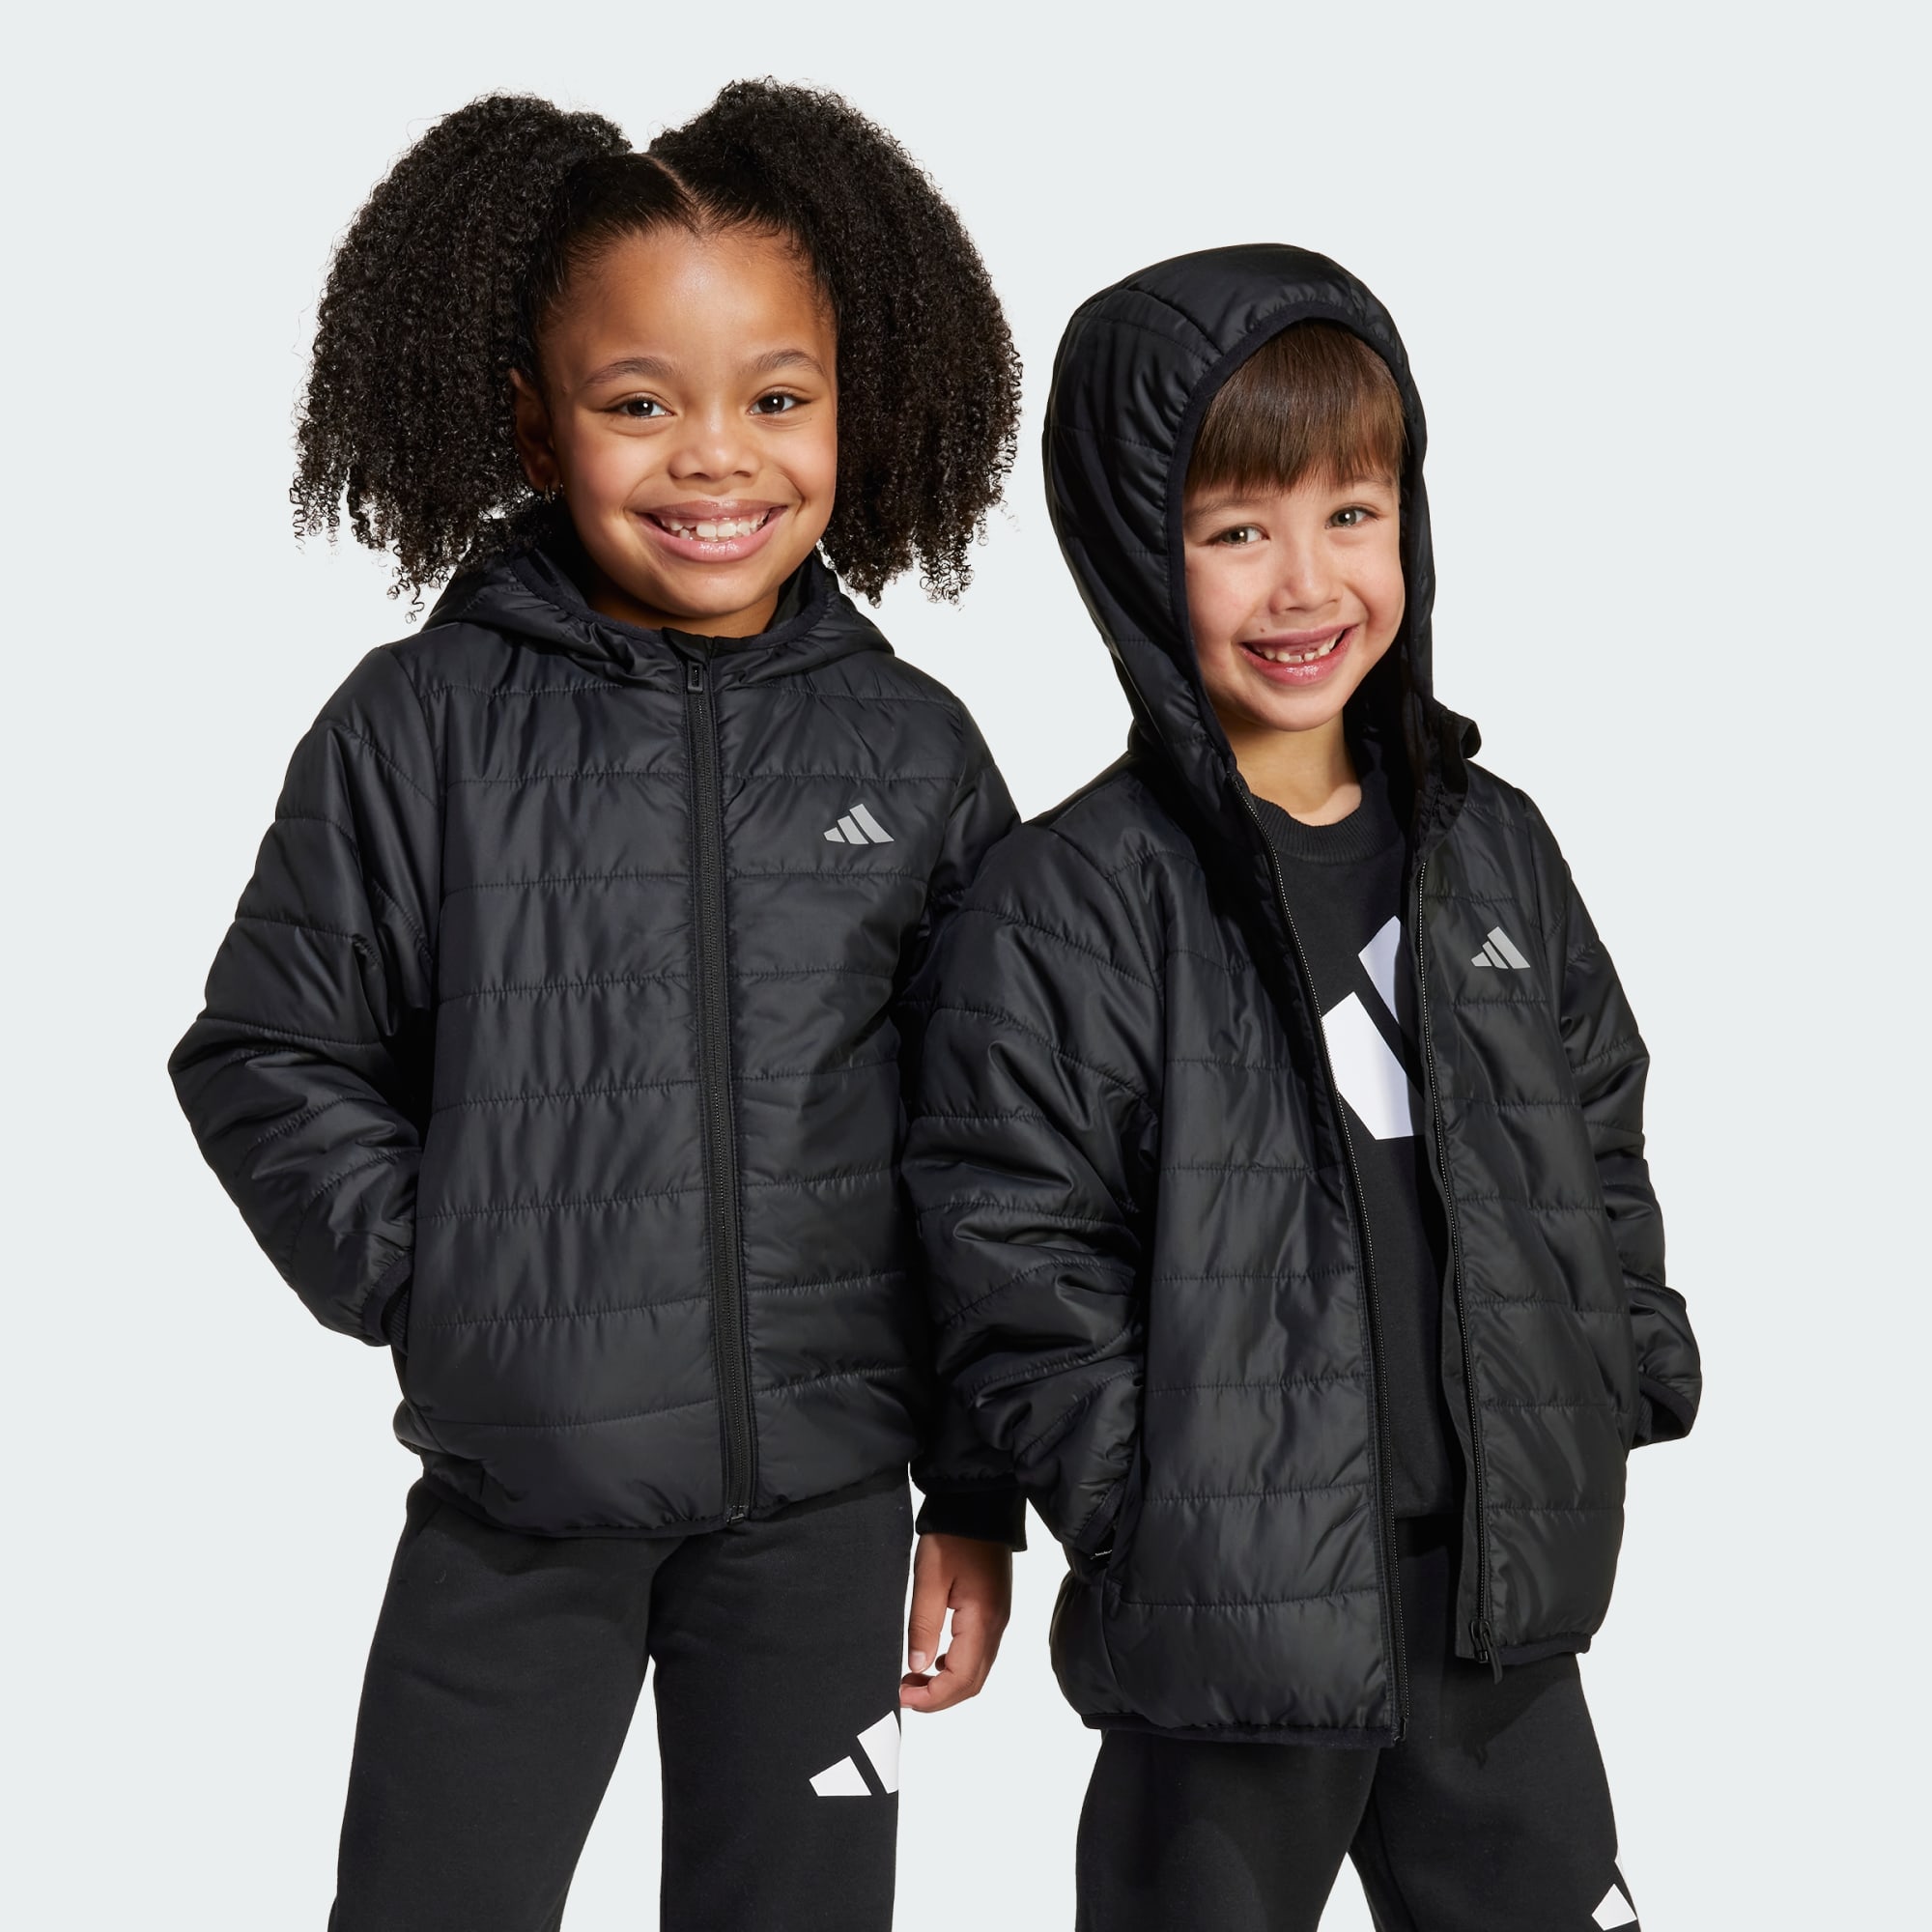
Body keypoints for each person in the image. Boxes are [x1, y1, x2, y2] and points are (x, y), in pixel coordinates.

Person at [169, 84, 1022, 1932]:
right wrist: (453, 1282)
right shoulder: (420, 728)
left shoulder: (914, 750)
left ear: (856, 409)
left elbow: (994, 1148)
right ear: (531, 421)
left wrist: (975, 1488)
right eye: (640, 403)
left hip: (821, 1518)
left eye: (776, 399)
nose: (716, 459)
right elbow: (265, 1052)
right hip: (517, 1513)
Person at [901, 245, 1702, 1931]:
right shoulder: (1071, 899)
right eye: (1235, 531)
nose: (1305, 582)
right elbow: (1004, 1237)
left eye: (1352, 512)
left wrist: (1617, 1352)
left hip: (1494, 1606)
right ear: (1138, 553)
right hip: (1226, 1631)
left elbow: (1596, 1116)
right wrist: (1140, 1492)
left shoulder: (1493, 847)